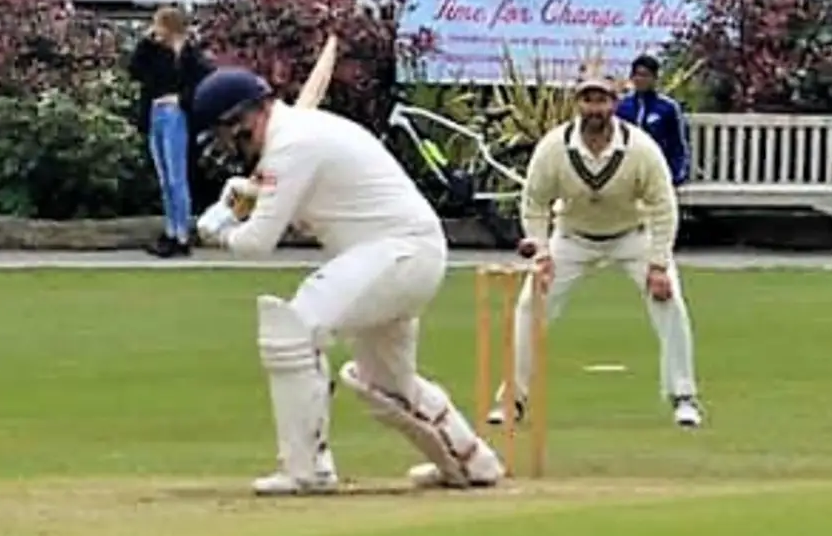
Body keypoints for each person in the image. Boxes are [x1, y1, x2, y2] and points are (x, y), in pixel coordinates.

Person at [189, 68, 504, 495]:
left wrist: (219, 230)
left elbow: (257, 242)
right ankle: (470, 462)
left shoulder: (292, 146)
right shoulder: (294, 140)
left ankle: (306, 470)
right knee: (384, 382)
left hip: (397, 251)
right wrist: (247, 200)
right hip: (402, 254)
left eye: (224, 135)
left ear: (243, 119)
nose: (225, 146)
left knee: (296, 327)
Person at [489, 66, 704, 430]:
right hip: (572, 237)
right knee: (531, 304)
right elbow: (535, 202)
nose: (594, 109)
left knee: (670, 303)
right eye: (588, 100)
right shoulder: (554, 148)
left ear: (614, 104)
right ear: (578, 104)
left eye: (602, 100)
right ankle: (512, 398)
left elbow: (663, 206)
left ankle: (684, 396)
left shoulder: (640, 149)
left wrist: (658, 264)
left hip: (633, 235)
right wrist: (541, 254)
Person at [127, 5, 212, 259]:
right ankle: (170, 230)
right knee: (164, 178)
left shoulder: (189, 55)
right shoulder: (155, 52)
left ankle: (182, 235)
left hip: (175, 115)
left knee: (177, 177)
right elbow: (134, 69)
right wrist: (145, 42)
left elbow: (204, 82)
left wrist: (181, 100)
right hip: (155, 113)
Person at [618, 54, 691, 188]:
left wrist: (677, 176)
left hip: (659, 170)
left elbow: (679, 146)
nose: (641, 79)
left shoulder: (668, 107)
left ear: (655, 78)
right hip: (627, 171)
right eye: (637, 75)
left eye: (646, 75)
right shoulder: (621, 106)